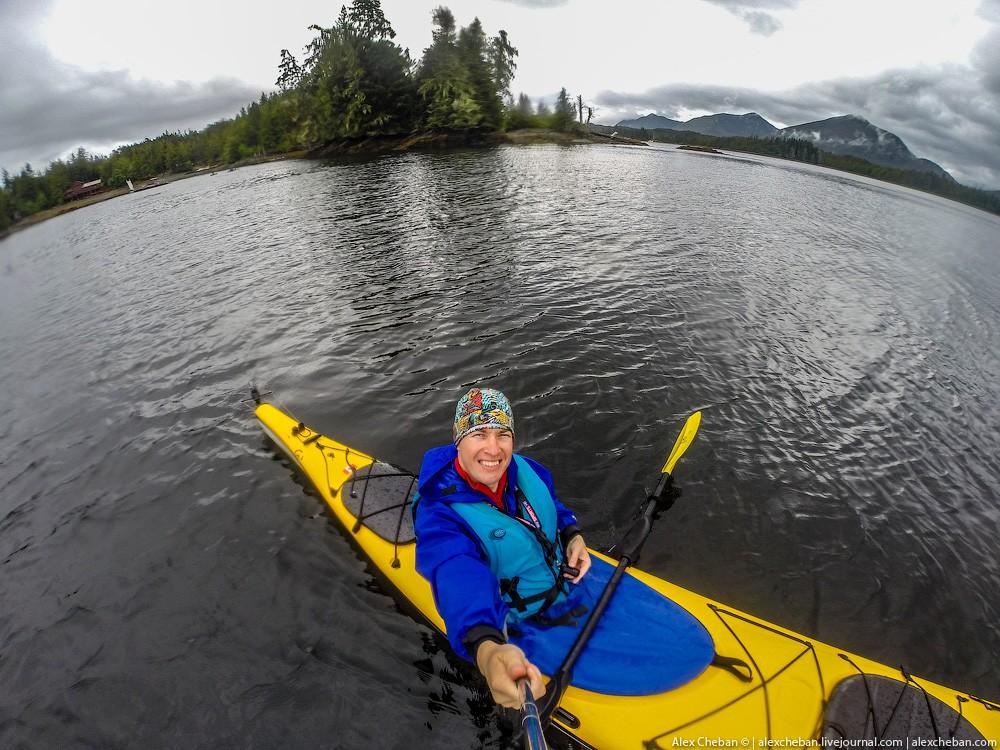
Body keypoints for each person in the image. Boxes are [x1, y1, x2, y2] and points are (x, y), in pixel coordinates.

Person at [413, 387, 592, 709]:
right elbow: (458, 572)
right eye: (479, 433)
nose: (493, 449)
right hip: (516, 616)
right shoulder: (439, 516)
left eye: (503, 434)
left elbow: (551, 506)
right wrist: (489, 648)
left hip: (562, 583)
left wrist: (573, 533)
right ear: (458, 441)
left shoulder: (526, 469)